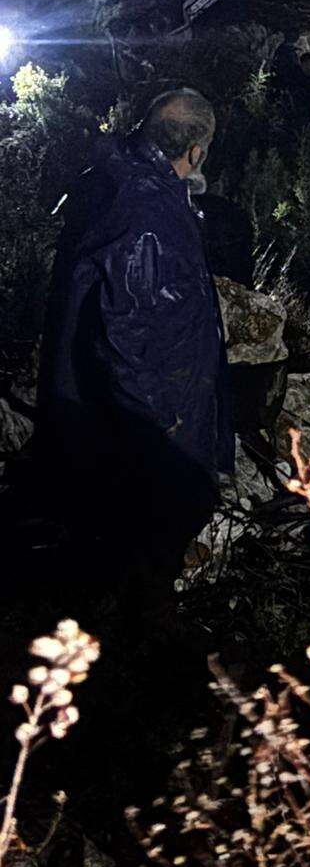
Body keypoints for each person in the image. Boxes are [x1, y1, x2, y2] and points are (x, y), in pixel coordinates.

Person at [32, 89, 233, 623]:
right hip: (143, 438)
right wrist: (166, 434)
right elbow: (135, 340)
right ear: (195, 150)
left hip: (105, 425)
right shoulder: (150, 219)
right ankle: (129, 662)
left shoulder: (119, 186)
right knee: (134, 564)